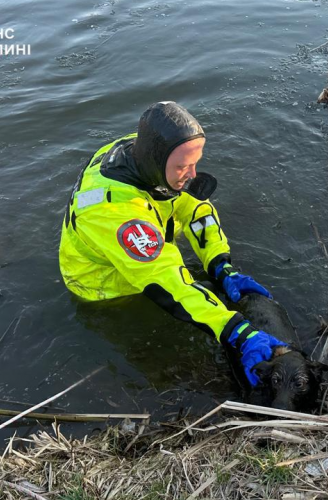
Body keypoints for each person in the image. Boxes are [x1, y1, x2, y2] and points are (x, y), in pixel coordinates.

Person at [58, 101, 287, 386]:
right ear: (156, 160)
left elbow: (195, 208)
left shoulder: (141, 153)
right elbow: (167, 281)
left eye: (195, 163)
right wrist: (237, 332)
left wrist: (219, 264)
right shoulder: (112, 214)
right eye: (183, 166)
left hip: (143, 239)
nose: (192, 174)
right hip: (106, 286)